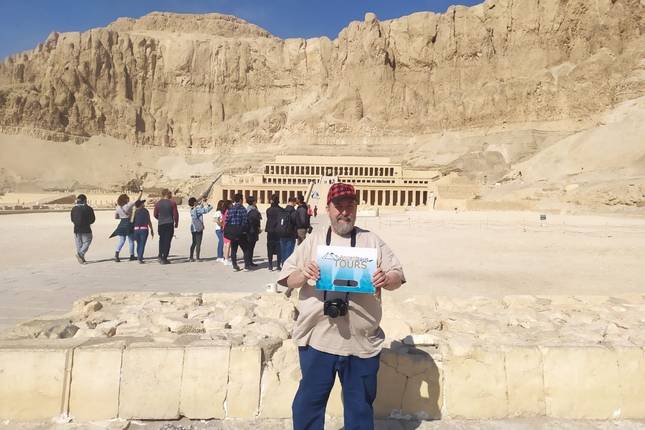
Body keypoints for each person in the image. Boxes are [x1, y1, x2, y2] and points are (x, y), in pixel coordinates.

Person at [277, 183, 405, 430]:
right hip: (318, 339)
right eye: (339, 206)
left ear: (356, 208)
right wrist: (303, 274)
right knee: (308, 405)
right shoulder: (314, 240)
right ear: (328, 209)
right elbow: (286, 278)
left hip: (361, 342)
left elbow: (398, 276)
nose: (345, 212)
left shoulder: (371, 241)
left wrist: (386, 279)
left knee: (360, 408)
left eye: (350, 206)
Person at [110, 189, 143, 262]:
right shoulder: (128, 205)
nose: (129, 199)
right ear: (126, 199)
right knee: (131, 240)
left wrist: (123, 216)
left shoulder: (118, 207)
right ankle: (132, 255)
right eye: (128, 198)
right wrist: (141, 191)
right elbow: (138, 199)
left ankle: (117, 254)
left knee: (121, 241)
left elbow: (116, 217)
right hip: (128, 224)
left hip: (121, 224)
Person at [223, 193, 248, 271]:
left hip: (232, 232)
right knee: (245, 249)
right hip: (241, 232)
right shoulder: (243, 209)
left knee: (234, 249)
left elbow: (227, 220)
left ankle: (235, 265)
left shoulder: (231, 209)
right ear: (240, 200)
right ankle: (246, 266)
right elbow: (245, 221)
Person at [154, 189, 179, 265]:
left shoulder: (158, 203)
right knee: (167, 241)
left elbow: (155, 214)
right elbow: (175, 214)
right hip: (169, 223)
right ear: (167, 194)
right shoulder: (172, 203)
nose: (171, 195)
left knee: (161, 239)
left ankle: (160, 255)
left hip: (161, 224)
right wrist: (176, 223)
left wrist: (160, 219)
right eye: (170, 194)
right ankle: (164, 258)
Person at [70, 194, 95, 264]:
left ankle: (81, 259)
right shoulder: (88, 208)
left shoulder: (74, 209)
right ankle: (80, 254)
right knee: (87, 242)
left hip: (76, 229)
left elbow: (72, 219)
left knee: (79, 244)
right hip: (86, 229)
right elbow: (92, 219)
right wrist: (88, 222)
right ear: (85, 200)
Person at [189, 196, 213, 262]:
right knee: (198, 243)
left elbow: (200, 208)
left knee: (194, 243)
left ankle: (191, 257)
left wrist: (201, 203)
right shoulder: (197, 209)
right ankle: (197, 258)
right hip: (198, 227)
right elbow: (208, 209)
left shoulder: (192, 209)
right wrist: (207, 203)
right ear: (194, 202)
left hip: (193, 228)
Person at [265, 194, 283, 271]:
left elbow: (268, 218)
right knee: (279, 248)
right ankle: (278, 265)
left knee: (270, 248)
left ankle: (270, 265)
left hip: (270, 231)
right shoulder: (281, 210)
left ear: (272, 201)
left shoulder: (268, 210)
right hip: (278, 231)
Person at [279, 196, 298, 266]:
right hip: (290, 234)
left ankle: (283, 264)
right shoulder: (293, 212)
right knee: (289, 252)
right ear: (293, 202)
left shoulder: (283, 211)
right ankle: (287, 266)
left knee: (283, 251)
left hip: (282, 233)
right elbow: (296, 222)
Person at [245, 195, 262, 268]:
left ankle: (249, 262)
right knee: (250, 247)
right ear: (253, 202)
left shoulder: (248, 209)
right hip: (252, 230)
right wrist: (258, 228)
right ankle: (248, 263)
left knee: (250, 247)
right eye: (255, 201)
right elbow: (256, 220)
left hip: (249, 230)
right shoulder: (253, 210)